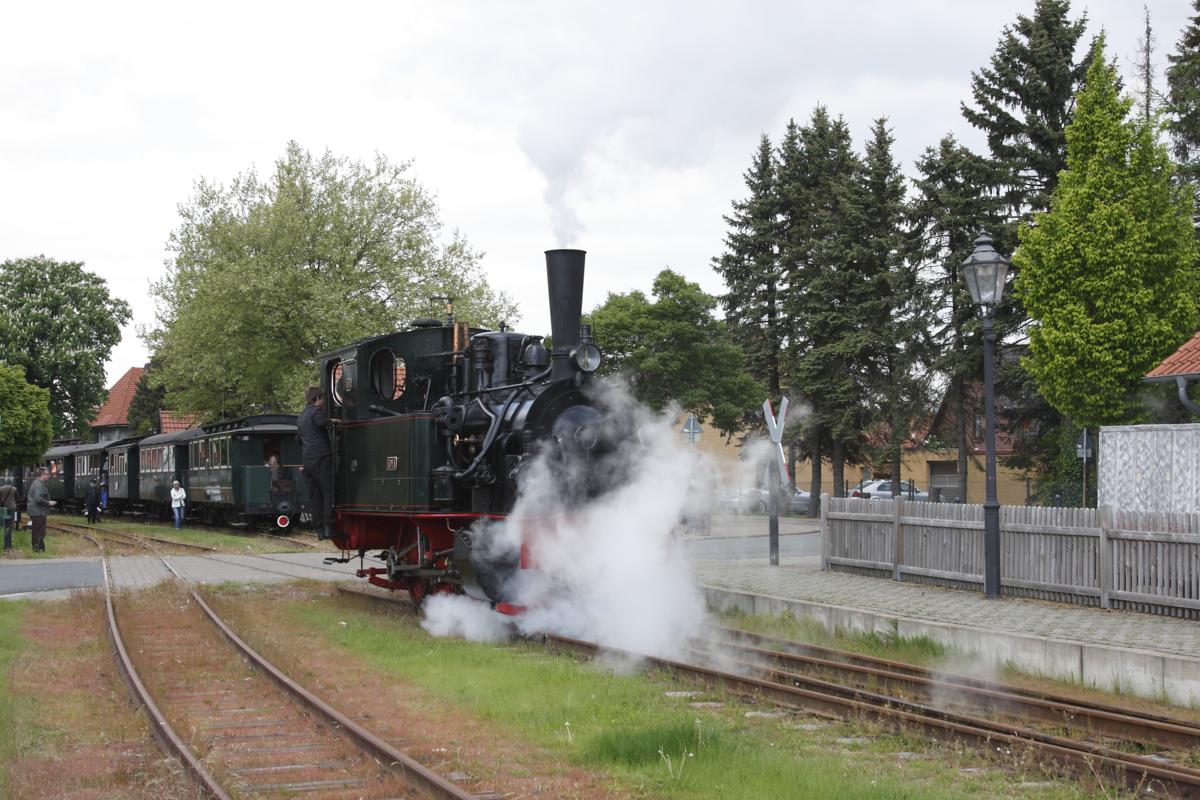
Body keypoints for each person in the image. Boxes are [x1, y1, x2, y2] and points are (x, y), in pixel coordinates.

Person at [297, 385, 335, 539]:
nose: (324, 401)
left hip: (308, 460)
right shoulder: (316, 412)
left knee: (315, 496)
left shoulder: (301, 416)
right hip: (321, 457)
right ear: (317, 399)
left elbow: (298, 439)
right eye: (323, 398)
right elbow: (321, 423)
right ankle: (329, 526)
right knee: (328, 492)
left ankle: (318, 529)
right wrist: (333, 421)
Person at [26, 467, 54, 553]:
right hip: (38, 511)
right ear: (42, 475)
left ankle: (39, 548)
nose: (48, 476)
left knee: (37, 530)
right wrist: (48, 503)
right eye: (47, 474)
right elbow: (38, 498)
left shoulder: (37, 483)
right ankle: (38, 548)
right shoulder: (38, 484)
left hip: (36, 511)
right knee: (40, 531)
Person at [0, 483, 16, 552]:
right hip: (11, 508)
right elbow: (17, 498)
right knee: (9, 526)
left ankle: (6, 545)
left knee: (6, 526)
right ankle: (9, 546)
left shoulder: (1, 489)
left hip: (4, 509)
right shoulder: (14, 489)